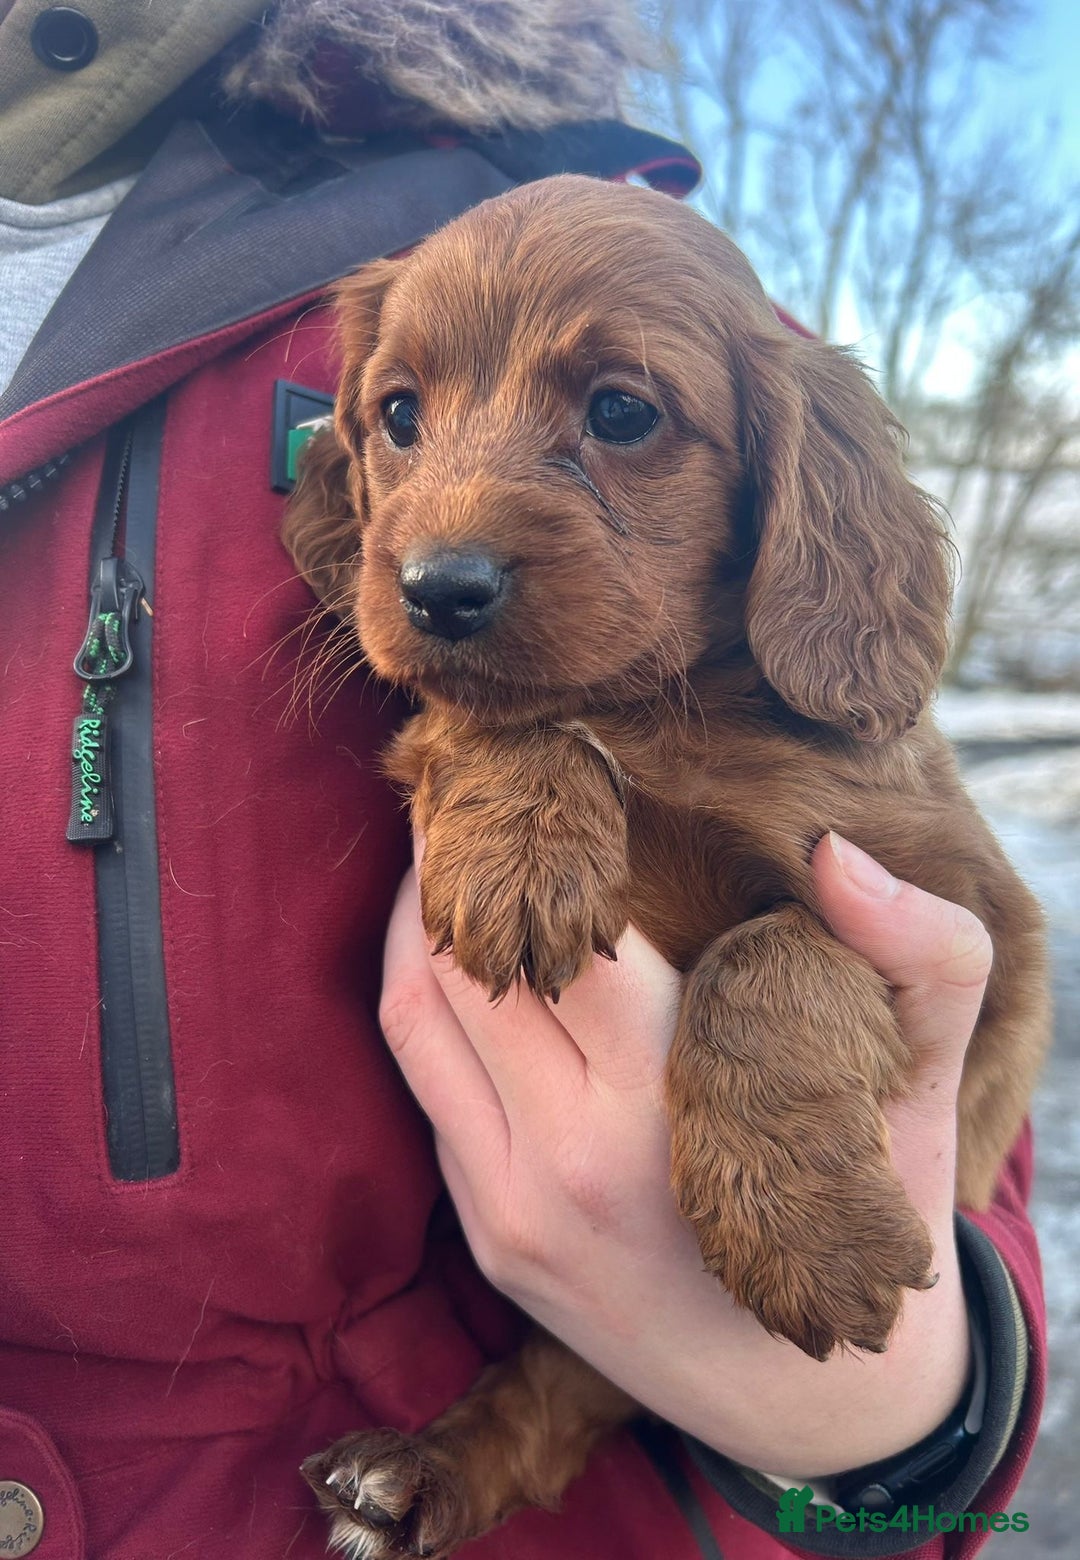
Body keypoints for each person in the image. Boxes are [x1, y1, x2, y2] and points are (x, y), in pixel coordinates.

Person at [0, 3, 1044, 1558]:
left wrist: (913, 1431)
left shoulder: (542, 197)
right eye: (402, 420)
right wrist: (507, 758)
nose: (439, 540)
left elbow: (968, 962)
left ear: (788, 472)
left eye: (618, 418)